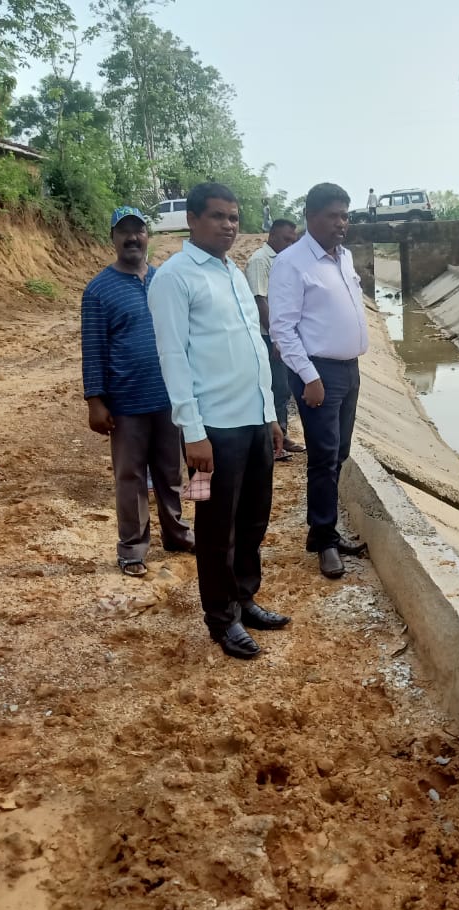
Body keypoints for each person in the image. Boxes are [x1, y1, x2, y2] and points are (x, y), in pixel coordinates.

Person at [148, 182, 288, 659]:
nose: (229, 225)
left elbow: (254, 348)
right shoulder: (174, 278)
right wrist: (193, 432)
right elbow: (173, 359)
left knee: (253, 518)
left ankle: (245, 596)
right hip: (211, 434)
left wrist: (270, 415)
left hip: (252, 424)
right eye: (218, 216)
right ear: (192, 219)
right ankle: (221, 617)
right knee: (213, 525)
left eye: (234, 217)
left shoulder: (231, 273)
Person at [81, 206, 194, 578]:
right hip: (126, 403)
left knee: (170, 472)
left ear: (149, 236)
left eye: (139, 230)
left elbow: (182, 336)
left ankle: (177, 534)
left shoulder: (165, 280)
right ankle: (132, 548)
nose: (132, 238)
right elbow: (93, 348)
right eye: (124, 232)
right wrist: (95, 401)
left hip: (168, 398)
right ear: (112, 238)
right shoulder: (98, 291)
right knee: (129, 478)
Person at [269, 182, 369, 579]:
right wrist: (309, 377)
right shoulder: (292, 263)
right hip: (318, 374)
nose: (341, 223)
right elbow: (283, 329)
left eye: (345, 215)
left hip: (349, 371)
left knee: (339, 453)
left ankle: (322, 530)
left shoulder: (343, 258)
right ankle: (324, 539)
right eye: (333, 215)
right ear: (311, 217)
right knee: (323, 458)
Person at [244, 219, 306, 460]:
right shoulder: (261, 260)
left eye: (293, 241)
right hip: (267, 335)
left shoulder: (285, 261)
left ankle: (280, 435)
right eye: (285, 239)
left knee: (283, 388)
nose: (289, 244)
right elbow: (261, 301)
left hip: (282, 334)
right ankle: (273, 442)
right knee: (275, 387)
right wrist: (277, 338)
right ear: (271, 236)